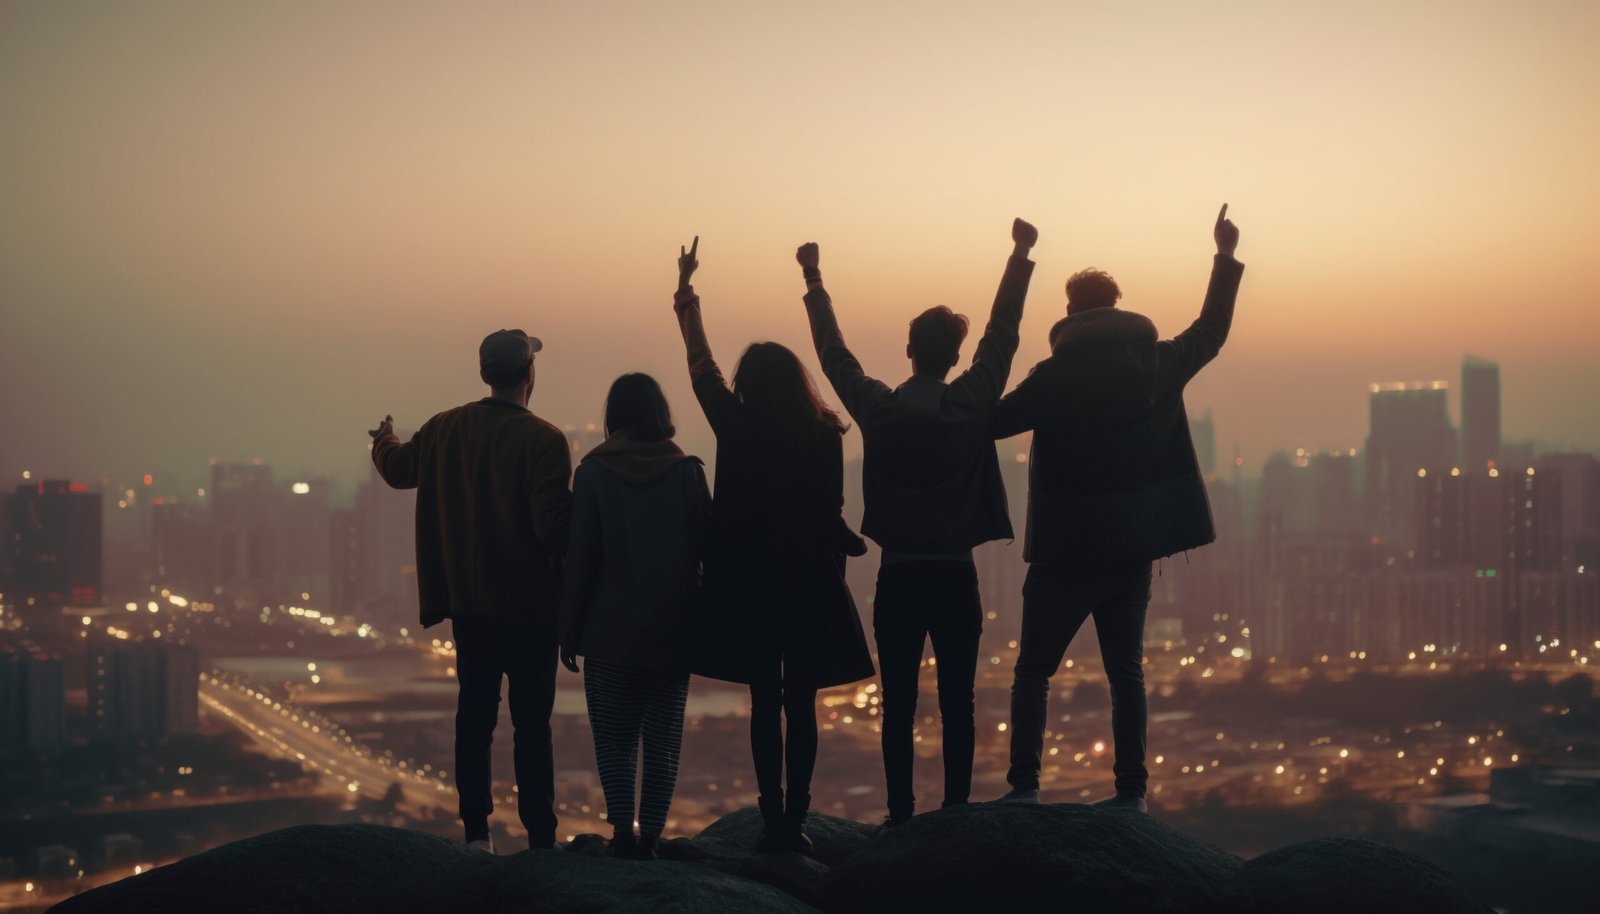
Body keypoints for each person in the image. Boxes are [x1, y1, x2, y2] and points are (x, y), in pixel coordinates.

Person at [992, 205, 1245, 813]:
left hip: (1063, 551)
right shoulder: (1155, 362)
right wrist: (1225, 256)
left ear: (1072, 312)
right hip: (1131, 549)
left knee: (1033, 672)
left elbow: (993, 422)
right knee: (1125, 673)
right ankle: (1131, 794)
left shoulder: (1053, 376)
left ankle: (1024, 789)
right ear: (1118, 304)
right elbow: (1211, 331)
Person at [794, 219, 1037, 826]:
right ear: (956, 357)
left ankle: (900, 815)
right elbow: (1003, 336)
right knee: (959, 702)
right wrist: (1020, 255)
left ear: (909, 350)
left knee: (897, 705)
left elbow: (832, 355)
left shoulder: (879, 409)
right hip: (956, 577)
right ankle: (955, 811)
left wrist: (814, 279)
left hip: (898, 578)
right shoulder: (970, 403)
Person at [671, 236, 875, 853]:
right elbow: (833, 512)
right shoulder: (826, 433)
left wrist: (686, 291)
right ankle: (798, 821)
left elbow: (699, 364)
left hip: (745, 581)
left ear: (749, 385)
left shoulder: (733, 424)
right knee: (803, 703)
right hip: (810, 580)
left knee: (764, 701)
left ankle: (769, 816)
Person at [368, 329, 572, 852]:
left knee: (474, 717)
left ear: (485, 374)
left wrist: (384, 438)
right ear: (530, 374)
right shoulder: (545, 441)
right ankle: (541, 838)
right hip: (532, 611)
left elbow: (396, 470)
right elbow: (555, 530)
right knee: (532, 727)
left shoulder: (443, 429)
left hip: (470, 607)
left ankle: (476, 834)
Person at [559, 373, 711, 861]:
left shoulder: (593, 474)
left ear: (614, 416)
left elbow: (579, 559)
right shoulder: (687, 471)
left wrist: (570, 630)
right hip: (672, 633)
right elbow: (709, 552)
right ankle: (651, 840)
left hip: (609, 633)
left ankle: (622, 833)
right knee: (663, 739)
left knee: (614, 740)